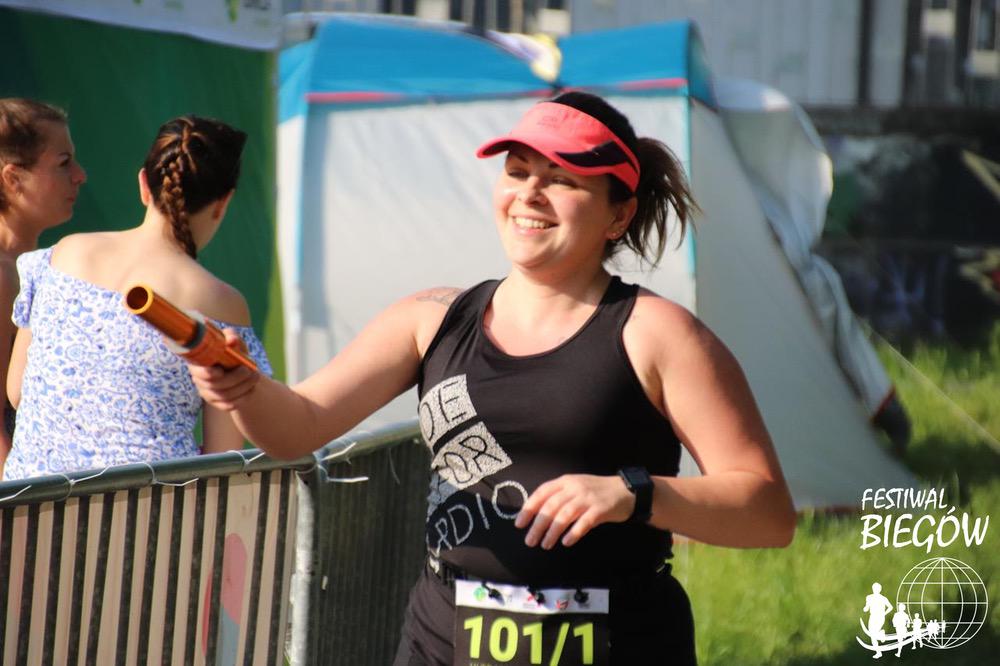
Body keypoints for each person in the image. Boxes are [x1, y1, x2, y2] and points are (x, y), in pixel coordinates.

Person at [188, 92, 795, 664]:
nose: (530, 193)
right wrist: (242, 387)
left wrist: (631, 494)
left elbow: (768, 512)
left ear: (620, 214)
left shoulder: (657, 333)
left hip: (617, 641)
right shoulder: (431, 319)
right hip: (441, 637)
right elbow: (297, 426)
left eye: (562, 179)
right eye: (517, 171)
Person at [3, 115, 270, 480]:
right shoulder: (223, 304)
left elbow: (18, 392)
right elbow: (223, 456)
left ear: (144, 184)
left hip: (29, 504)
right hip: (152, 510)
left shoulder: (62, 254)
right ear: (223, 203)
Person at [0, 98, 86, 478]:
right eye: (64, 163)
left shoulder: (38, 267)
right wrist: (17, 503)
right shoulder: (4, 278)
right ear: (13, 179)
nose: (80, 175)